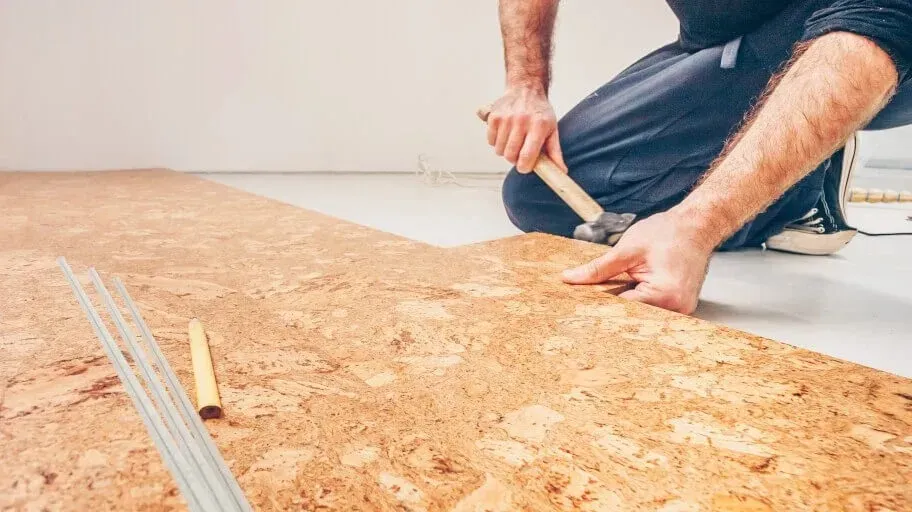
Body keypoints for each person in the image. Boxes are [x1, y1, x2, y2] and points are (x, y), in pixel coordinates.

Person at [488, 0, 912, 314]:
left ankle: (815, 149)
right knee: (539, 197)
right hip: (722, 46)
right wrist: (526, 85)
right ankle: (796, 173)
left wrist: (695, 228)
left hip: (864, 34)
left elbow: (881, 17)